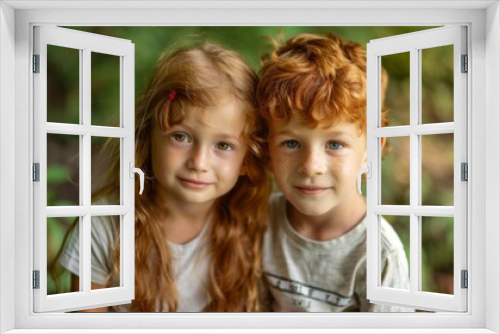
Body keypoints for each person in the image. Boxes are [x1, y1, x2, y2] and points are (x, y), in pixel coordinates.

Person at [58, 41, 271, 312]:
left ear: (247, 159)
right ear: (148, 137)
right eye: (180, 137)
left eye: (224, 145)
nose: (199, 162)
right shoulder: (104, 226)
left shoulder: (254, 223)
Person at [256, 33, 411, 312]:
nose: (311, 166)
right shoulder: (261, 222)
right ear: (267, 148)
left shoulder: (380, 254)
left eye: (335, 144)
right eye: (291, 143)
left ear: (371, 150)